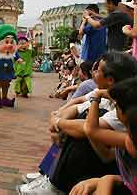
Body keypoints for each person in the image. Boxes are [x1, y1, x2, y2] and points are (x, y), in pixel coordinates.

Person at [18, 52, 137, 194]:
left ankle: (56, 185)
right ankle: (48, 175)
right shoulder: (109, 94)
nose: (93, 73)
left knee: (81, 126)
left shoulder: (126, 106)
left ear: (110, 80)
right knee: (75, 124)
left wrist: (60, 123)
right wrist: (58, 121)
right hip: (112, 169)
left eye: (97, 70)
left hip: (106, 167)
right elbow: (77, 106)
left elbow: (90, 131)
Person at [70, 77, 137, 195]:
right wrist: (106, 180)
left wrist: (96, 97)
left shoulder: (129, 141)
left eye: (116, 105)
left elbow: (91, 129)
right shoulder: (128, 139)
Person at [0, 24, 19, 108]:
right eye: (6, 42)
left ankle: (4, 98)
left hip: (7, 72)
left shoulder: (11, 54)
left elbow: (16, 55)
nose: (9, 45)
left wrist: (19, 59)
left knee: (6, 85)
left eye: (11, 42)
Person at [14, 34, 34, 98]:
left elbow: (34, 52)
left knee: (26, 83)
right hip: (18, 71)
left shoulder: (29, 52)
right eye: (20, 44)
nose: (22, 45)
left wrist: (31, 45)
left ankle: (24, 92)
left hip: (26, 71)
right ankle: (17, 91)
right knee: (18, 82)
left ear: (27, 44)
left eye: (24, 43)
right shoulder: (16, 53)